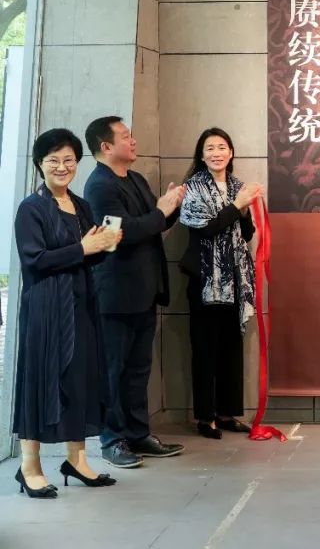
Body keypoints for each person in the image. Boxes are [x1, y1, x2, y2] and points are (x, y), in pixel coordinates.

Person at [11, 129, 122, 498]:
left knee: (80, 380)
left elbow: (86, 256)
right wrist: (83, 247)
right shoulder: (31, 208)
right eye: (53, 160)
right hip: (45, 308)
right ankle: (29, 467)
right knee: (40, 381)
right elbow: (34, 260)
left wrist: (105, 245)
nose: (62, 167)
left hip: (81, 304)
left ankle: (77, 460)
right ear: (39, 164)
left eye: (69, 160)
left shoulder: (81, 205)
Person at [83, 117, 186, 468]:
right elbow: (119, 235)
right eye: (126, 136)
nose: (133, 141)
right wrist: (160, 211)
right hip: (116, 295)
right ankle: (112, 440)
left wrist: (172, 206)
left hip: (145, 290)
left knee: (138, 369)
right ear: (105, 146)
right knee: (113, 370)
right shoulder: (99, 186)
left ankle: (139, 433)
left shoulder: (136, 179)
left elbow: (153, 225)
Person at [180, 128, 262, 439]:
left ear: (231, 153)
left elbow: (247, 234)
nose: (216, 153)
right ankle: (205, 417)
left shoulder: (238, 187)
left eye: (222, 147)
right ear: (201, 156)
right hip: (205, 280)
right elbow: (205, 229)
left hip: (236, 281)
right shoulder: (193, 187)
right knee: (205, 349)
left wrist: (243, 210)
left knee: (231, 348)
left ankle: (227, 414)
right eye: (210, 148)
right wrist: (235, 206)